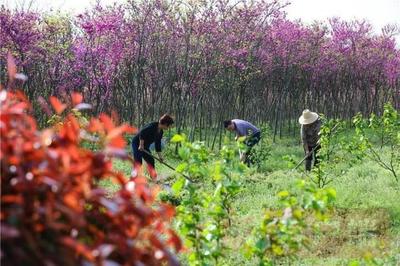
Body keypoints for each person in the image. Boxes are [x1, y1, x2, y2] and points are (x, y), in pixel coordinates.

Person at [131, 114, 174, 179]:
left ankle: (153, 177)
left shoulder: (161, 132)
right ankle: (134, 178)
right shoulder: (153, 126)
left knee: (150, 160)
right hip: (137, 143)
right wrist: (141, 145)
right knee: (138, 161)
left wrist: (160, 157)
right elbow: (142, 133)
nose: (168, 128)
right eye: (168, 126)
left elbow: (158, 144)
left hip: (145, 146)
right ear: (165, 123)